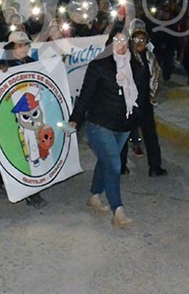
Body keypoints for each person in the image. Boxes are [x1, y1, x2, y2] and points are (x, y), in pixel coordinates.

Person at [68, 30, 137, 229]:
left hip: (124, 125)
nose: (121, 44)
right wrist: (75, 120)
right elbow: (86, 94)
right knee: (114, 165)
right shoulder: (99, 65)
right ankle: (118, 210)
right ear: (109, 43)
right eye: (116, 40)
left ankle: (94, 196)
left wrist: (138, 119)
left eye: (125, 40)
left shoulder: (135, 65)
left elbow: (139, 95)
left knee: (106, 161)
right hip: (100, 123)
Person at [0, 30, 46, 208]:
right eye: (20, 45)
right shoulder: (3, 64)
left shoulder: (32, 63)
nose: (23, 48)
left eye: (26, 44)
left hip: (28, 115)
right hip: (8, 114)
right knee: (4, 147)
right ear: (12, 47)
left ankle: (31, 191)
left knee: (27, 150)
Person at [119, 28, 167, 176]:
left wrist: (152, 97)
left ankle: (155, 166)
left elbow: (155, 79)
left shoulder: (150, 58)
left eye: (142, 40)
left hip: (145, 103)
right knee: (124, 135)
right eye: (136, 39)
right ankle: (121, 166)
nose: (139, 43)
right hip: (130, 104)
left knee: (150, 136)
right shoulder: (126, 58)